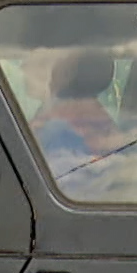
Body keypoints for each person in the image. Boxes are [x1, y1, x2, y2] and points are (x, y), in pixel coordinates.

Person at [31, 52, 120, 198]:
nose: (52, 71)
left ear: (66, 75)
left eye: (57, 63)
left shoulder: (54, 132)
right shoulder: (110, 128)